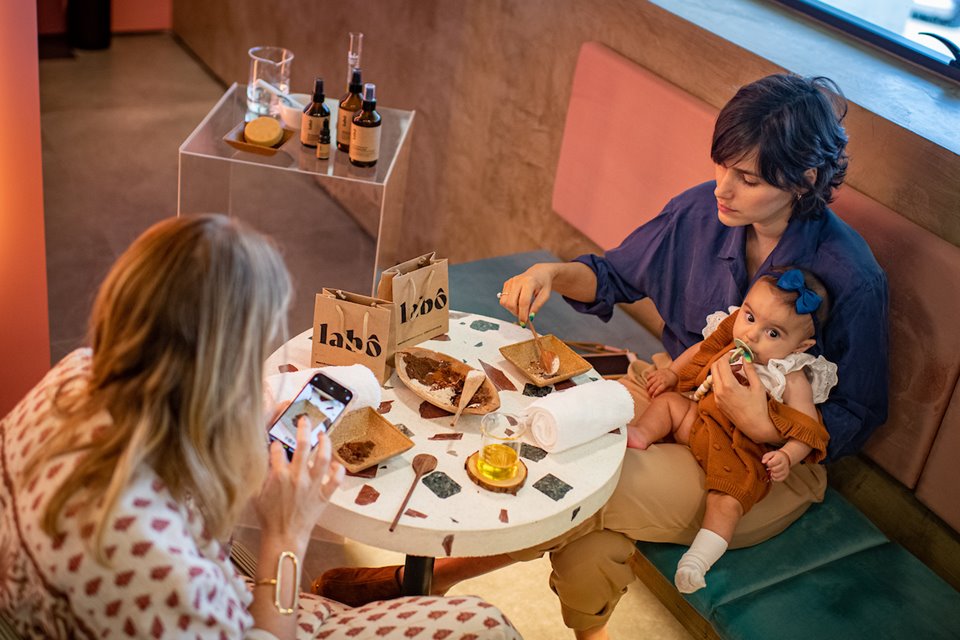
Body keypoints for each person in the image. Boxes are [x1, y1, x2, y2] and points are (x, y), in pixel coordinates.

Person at [313, 73, 888, 640]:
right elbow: (613, 275)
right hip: (670, 392)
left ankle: (420, 581)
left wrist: (762, 422)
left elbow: (858, 415)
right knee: (544, 447)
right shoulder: (701, 212)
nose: (723, 188)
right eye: (721, 165)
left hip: (759, 465)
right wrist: (553, 273)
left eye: (746, 178)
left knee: (589, 486)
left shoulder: (850, 276)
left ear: (806, 179)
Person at [0, 215, 520, 639]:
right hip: (253, 616)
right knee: (485, 625)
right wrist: (286, 533)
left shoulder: (77, 374)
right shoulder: (154, 566)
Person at [627, 268, 836, 593]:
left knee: (727, 502)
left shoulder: (791, 376)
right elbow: (700, 352)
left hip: (743, 453)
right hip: (700, 422)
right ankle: (639, 435)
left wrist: (786, 456)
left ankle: (698, 560)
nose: (752, 334)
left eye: (774, 334)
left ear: (800, 346)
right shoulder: (733, 338)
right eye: (750, 317)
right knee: (669, 405)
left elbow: (807, 430)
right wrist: (672, 374)